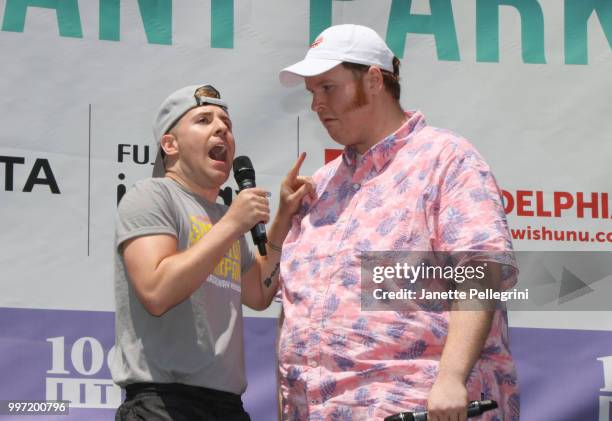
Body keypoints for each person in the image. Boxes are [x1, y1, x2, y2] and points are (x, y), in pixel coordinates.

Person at [276, 25, 520, 420]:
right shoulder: (319, 187)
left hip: (417, 407)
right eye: (312, 93)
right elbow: (291, 314)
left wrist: (451, 378)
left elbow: (481, 270)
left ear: (374, 80)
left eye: (328, 88)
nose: (317, 104)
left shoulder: (445, 160)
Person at [110, 84, 313, 421]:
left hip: (227, 407)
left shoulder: (223, 218)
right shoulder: (151, 196)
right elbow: (156, 291)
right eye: (204, 120)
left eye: (227, 124)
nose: (222, 128)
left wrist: (282, 219)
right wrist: (233, 223)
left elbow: (259, 293)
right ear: (170, 144)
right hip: (163, 403)